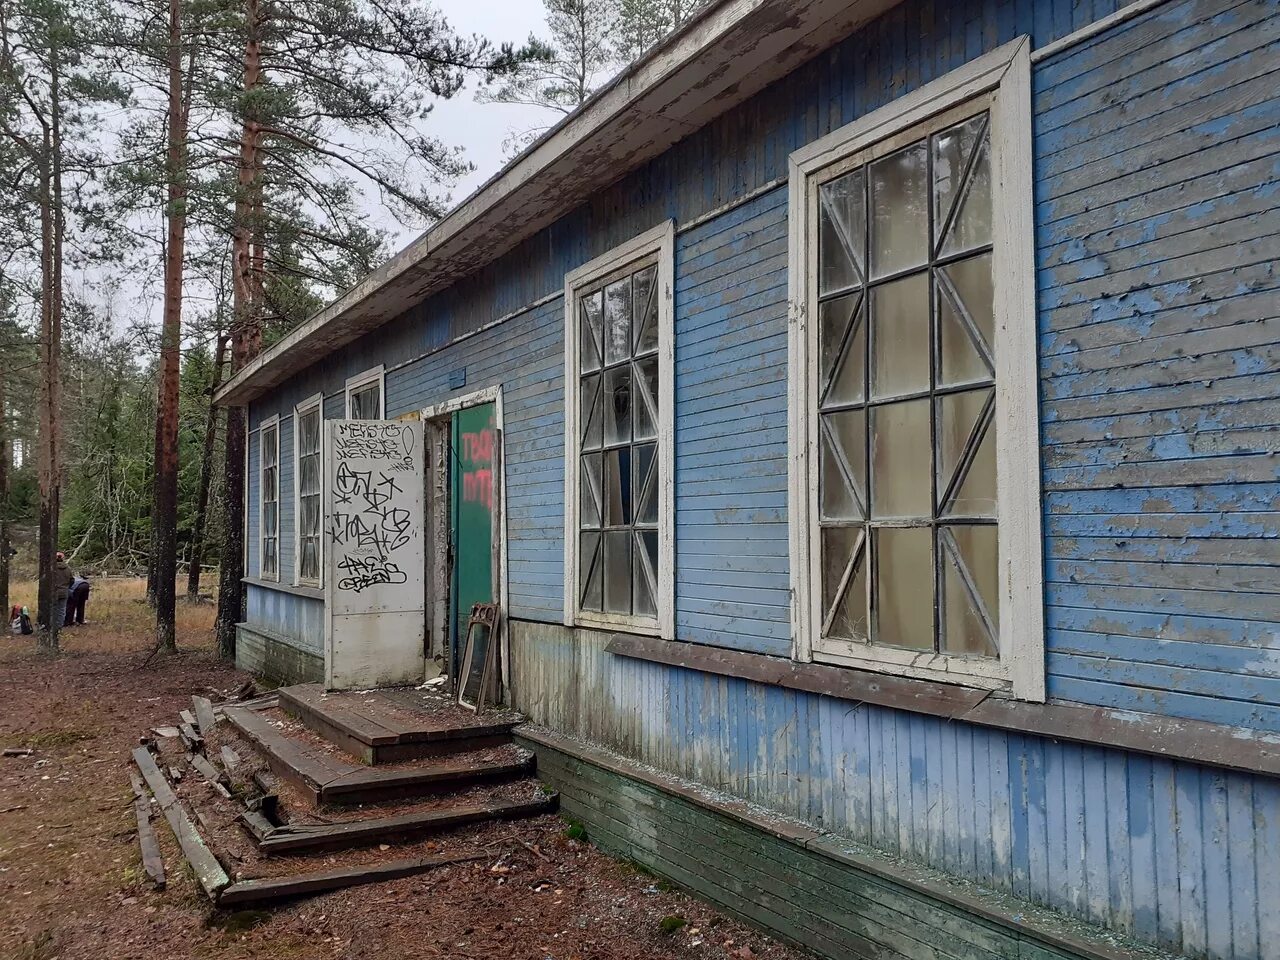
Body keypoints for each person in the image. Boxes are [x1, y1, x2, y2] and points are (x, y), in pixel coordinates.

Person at [51, 552, 72, 632]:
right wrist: (67, 587)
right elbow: (71, 580)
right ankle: (59, 628)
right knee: (61, 611)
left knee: (53, 609)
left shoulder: (52, 568)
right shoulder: (68, 568)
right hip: (64, 592)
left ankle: (51, 627)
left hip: (53, 592)